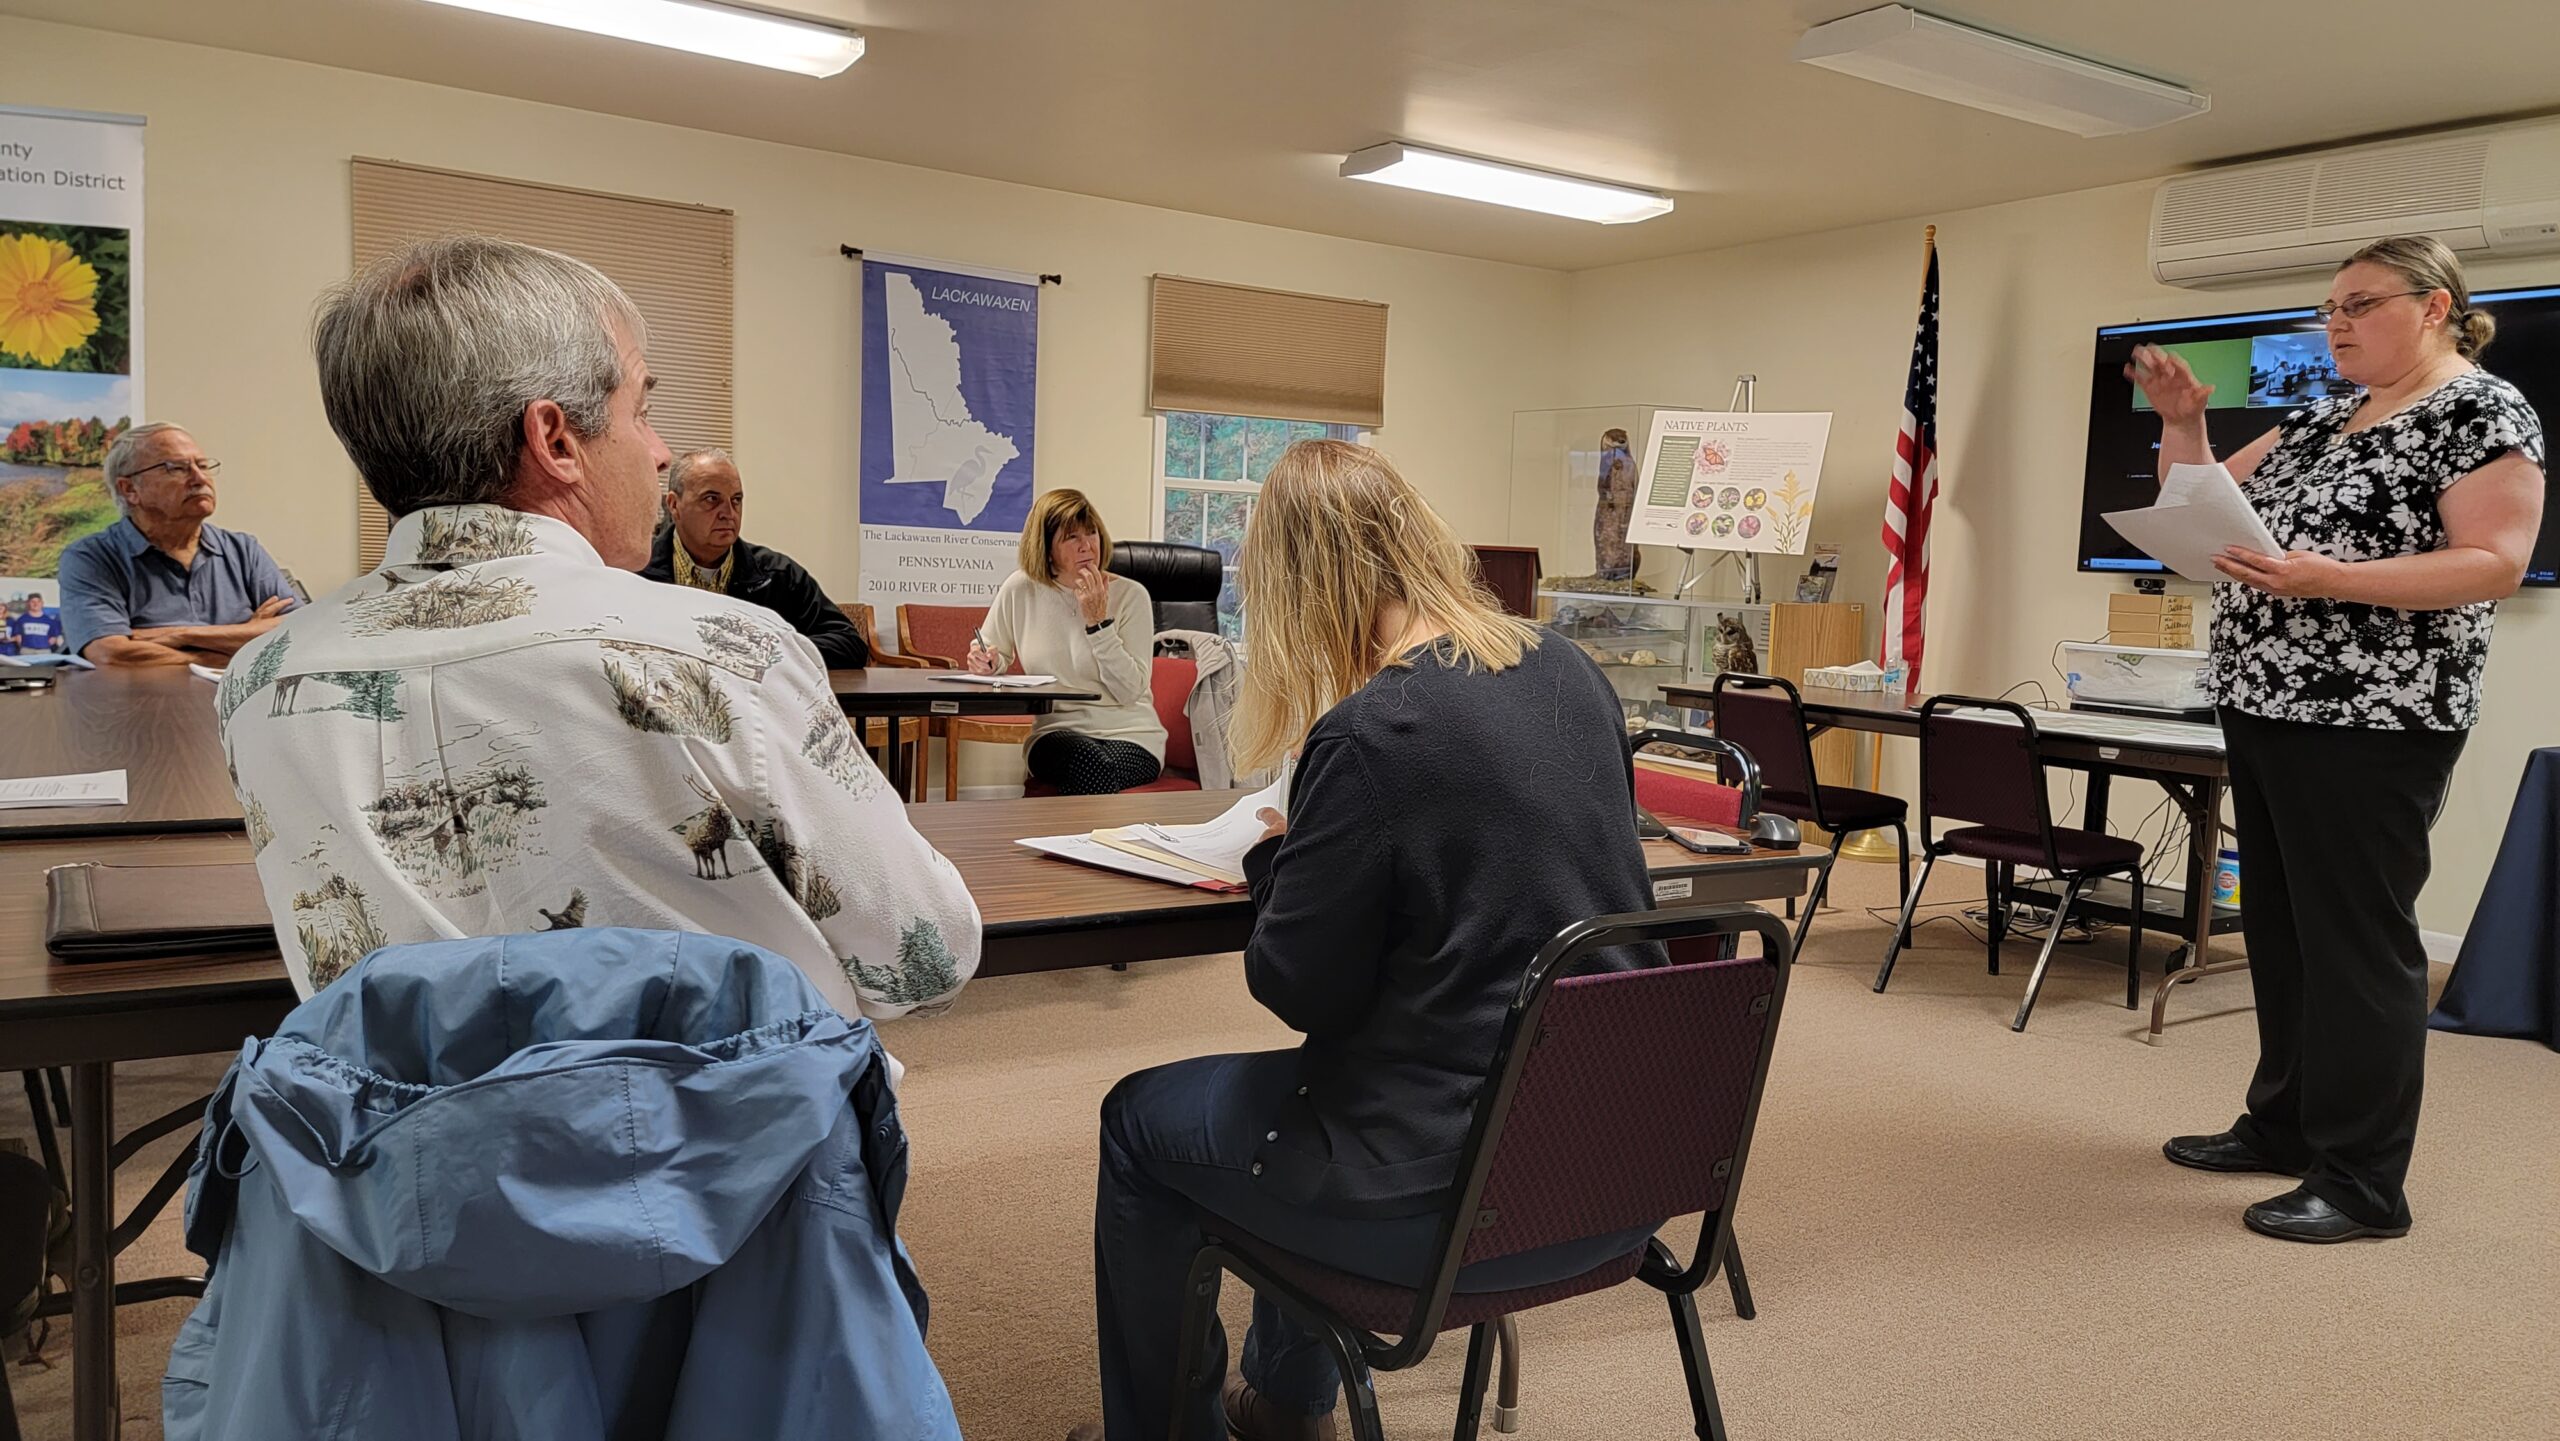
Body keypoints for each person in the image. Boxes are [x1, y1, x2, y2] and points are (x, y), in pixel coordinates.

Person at [217, 234, 980, 1024]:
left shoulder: (257, 677)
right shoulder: (724, 652)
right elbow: (924, 956)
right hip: (724, 1142)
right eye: (642, 409)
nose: (658, 453)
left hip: (402, 1143)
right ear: (555, 441)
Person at [1074, 441, 1661, 1441]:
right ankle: (1288, 1405)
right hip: (1611, 1168)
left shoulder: (1374, 727)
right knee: (1345, 1069)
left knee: (1141, 1119)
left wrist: (1280, 859)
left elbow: (1301, 986)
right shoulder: (1568, 667)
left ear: (1298, 587)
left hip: (1448, 1193)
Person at [2134, 235, 2546, 1244]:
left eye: (2360, 304)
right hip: (2265, 700)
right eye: (2330, 307)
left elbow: (2494, 560)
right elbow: (2196, 511)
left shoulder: (2479, 410)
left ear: (2436, 305)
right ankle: (2282, 1124)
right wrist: (2184, 424)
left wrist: (2337, 578)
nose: (2337, 323)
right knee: (2278, 926)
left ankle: (2362, 1181)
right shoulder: (2322, 413)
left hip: (2376, 717)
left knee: (2356, 942)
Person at [967, 489, 1166, 794]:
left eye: (1092, 533)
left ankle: (1071, 840)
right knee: (1088, 762)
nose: (1088, 546)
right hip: (1057, 732)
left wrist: (1098, 624)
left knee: (1097, 768)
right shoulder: (1021, 589)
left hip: (1133, 736)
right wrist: (986, 661)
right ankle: (1096, 841)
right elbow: (992, 653)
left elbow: (1129, 691)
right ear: (1047, 550)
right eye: (1072, 537)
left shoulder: (1131, 596)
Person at [57, 423, 298, 666]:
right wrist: (238, 641)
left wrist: (178, 635)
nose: (200, 478)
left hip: (233, 703)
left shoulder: (244, 550)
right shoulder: (91, 558)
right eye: (177, 468)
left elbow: (299, 632)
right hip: (137, 702)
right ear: (130, 489)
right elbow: (110, 653)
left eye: (203, 466)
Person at [642, 446, 869, 668]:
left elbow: (849, 644)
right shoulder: (636, 570)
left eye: (736, 500)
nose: (728, 514)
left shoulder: (777, 574)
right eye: (711, 499)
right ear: (674, 505)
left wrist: (767, 650)